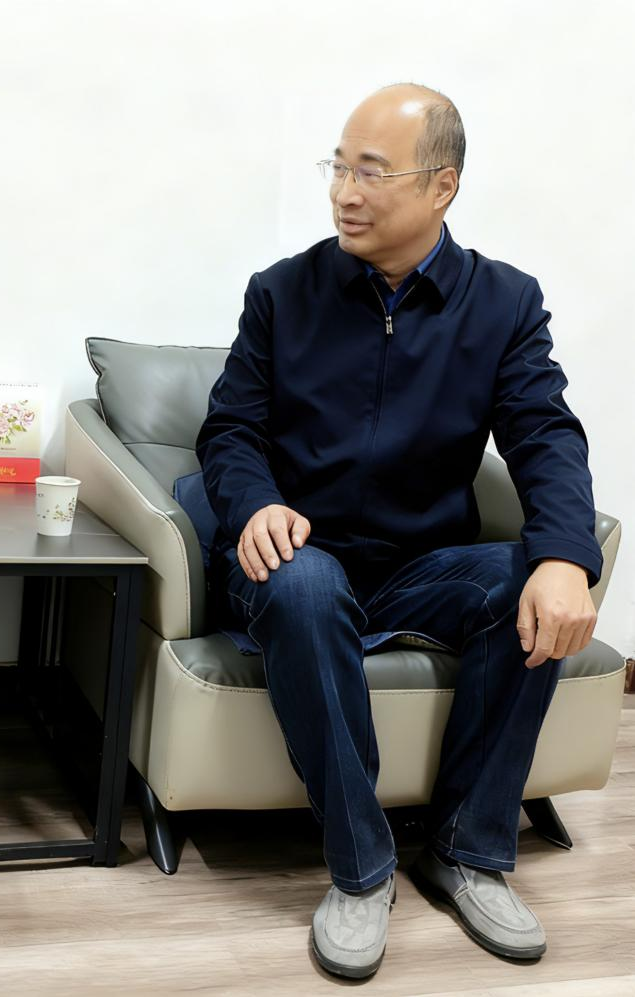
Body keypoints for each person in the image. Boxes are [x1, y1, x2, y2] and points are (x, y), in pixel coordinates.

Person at [196, 83, 600, 980]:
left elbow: (544, 435)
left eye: (370, 172)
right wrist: (255, 503)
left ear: (441, 185)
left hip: (420, 566)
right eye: (337, 167)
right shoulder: (282, 292)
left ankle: (466, 851)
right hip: (297, 560)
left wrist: (565, 557)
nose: (344, 192)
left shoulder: (503, 303)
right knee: (302, 582)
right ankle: (361, 868)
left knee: (530, 575)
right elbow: (229, 431)